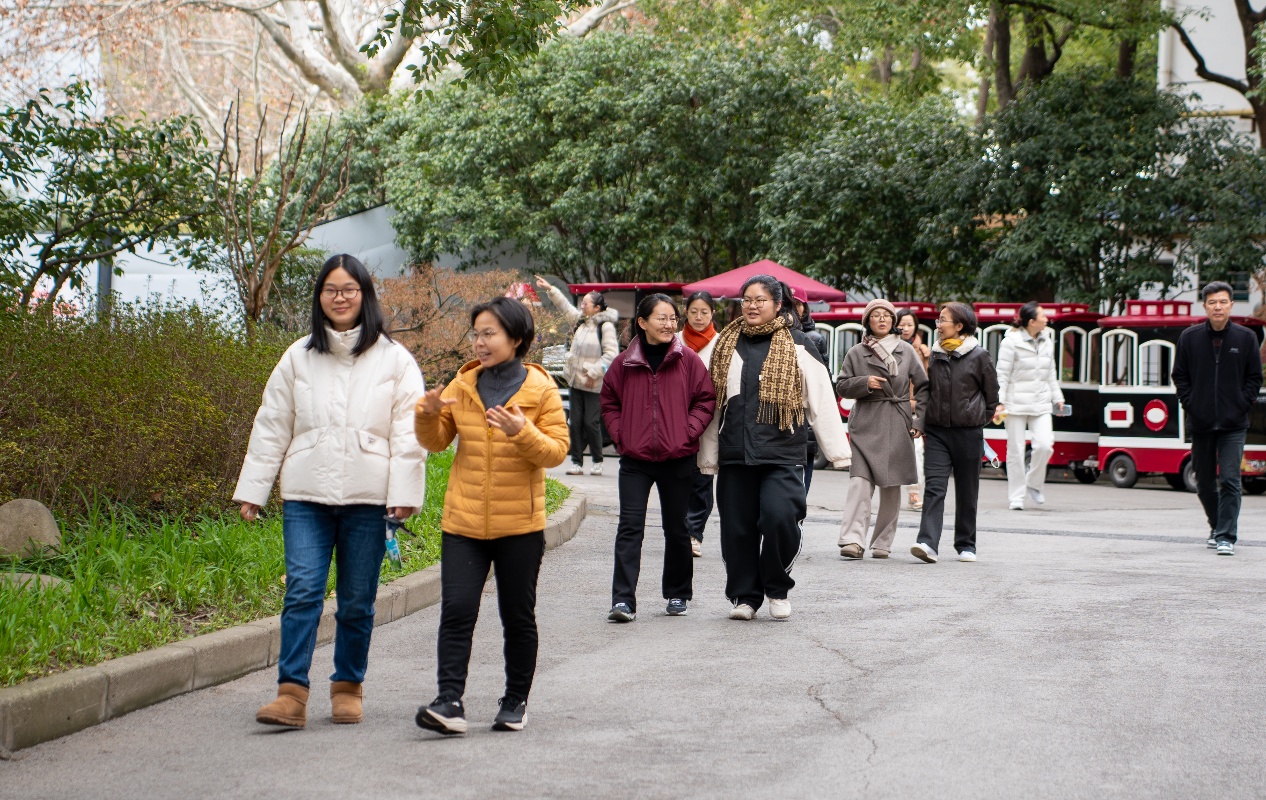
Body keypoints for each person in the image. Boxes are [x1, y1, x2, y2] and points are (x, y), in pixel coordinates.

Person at [235, 254, 425, 729]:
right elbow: (272, 423)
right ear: (319, 297)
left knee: (357, 599)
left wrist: (404, 493)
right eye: (330, 290)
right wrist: (254, 488)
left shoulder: (395, 359)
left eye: (349, 289)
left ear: (365, 295)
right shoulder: (298, 356)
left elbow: (408, 433)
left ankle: (348, 687)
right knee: (302, 590)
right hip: (306, 494)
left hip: (368, 497)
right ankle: (291, 694)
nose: (339, 298)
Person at [413, 297, 569, 735]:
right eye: (476, 334)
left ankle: (515, 699)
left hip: (519, 526)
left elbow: (556, 452)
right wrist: (426, 415)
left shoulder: (540, 390)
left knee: (516, 615)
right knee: (457, 611)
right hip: (463, 523)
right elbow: (437, 441)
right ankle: (449, 701)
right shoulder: (462, 385)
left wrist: (523, 433)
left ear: (516, 338)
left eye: (490, 334)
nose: (480, 343)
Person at [697, 275, 851, 621]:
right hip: (735, 452)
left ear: (778, 305)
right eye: (747, 300)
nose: (752, 306)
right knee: (737, 529)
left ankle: (777, 588)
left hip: (783, 451)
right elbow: (712, 404)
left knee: (780, 517)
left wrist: (839, 453)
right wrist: (707, 456)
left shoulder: (799, 344)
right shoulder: (723, 344)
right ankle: (745, 597)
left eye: (760, 300)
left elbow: (822, 399)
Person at [600, 294, 716, 621]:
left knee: (677, 528)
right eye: (661, 318)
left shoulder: (687, 359)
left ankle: (678, 593)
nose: (669, 325)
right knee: (629, 527)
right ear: (642, 322)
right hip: (635, 460)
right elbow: (609, 402)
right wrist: (622, 434)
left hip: (677, 456)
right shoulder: (624, 363)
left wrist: (687, 432)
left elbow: (705, 400)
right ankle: (623, 601)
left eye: (672, 319)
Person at [1173, 281, 1263, 556]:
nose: (1218, 307)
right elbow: (1180, 376)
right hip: (1201, 423)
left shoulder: (1246, 338)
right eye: (1212, 302)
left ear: (1231, 305)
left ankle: (1226, 536)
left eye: (1223, 302)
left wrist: (1241, 403)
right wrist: (1191, 404)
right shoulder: (1189, 338)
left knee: (1230, 480)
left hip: (1234, 424)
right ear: (1205, 306)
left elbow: (1254, 378)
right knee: (1204, 483)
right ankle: (1216, 526)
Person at [835, 299, 929, 560]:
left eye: (886, 315)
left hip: (898, 421)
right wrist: (864, 382)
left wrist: (919, 421)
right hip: (865, 422)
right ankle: (852, 540)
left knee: (891, 486)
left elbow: (924, 387)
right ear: (868, 321)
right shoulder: (856, 352)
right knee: (859, 482)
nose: (882, 319)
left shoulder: (906, 350)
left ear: (893, 321)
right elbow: (841, 386)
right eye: (876, 315)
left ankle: (882, 543)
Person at [910, 302, 1000, 564]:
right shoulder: (935, 355)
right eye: (938, 320)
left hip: (969, 433)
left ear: (959, 326)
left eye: (943, 320)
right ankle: (927, 543)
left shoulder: (979, 355)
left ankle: (966, 544)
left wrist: (976, 419)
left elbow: (992, 395)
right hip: (937, 432)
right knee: (934, 487)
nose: (938, 325)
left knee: (967, 489)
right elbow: (928, 391)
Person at [535, 276, 618, 476]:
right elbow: (565, 308)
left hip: (593, 384)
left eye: (586, 303)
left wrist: (593, 373)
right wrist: (551, 289)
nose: (582, 306)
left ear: (597, 308)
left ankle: (597, 461)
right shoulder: (581, 321)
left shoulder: (604, 326)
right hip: (575, 381)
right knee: (575, 423)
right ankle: (577, 463)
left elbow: (611, 354)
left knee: (591, 422)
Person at [996, 302, 1065, 512]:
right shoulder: (1010, 342)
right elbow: (1002, 374)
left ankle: (1034, 483)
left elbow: (1051, 372)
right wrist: (1000, 402)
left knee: (1045, 445)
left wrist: (1058, 397)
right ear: (1032, 322)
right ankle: (1016, 497)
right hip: (1014, 404)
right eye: (1043, 316)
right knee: (1015, 451)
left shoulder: (1047, 341)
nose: (1046, 319)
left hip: (1041, 402)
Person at [682, 291, 719, 558]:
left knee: (702, 476)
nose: (698, 317)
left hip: (709, 419)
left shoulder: (721, 344)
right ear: (685, 312)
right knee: (679, 477)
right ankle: (680, 530)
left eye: (704, 312)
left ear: (712, 313)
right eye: (694, 311)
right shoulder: (673, 340)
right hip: (676, 418)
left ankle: (695, 533)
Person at [895, 308, 930, 510]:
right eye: (902, 325)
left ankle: (914, 492)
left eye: (910, 324)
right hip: (892, 406)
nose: (906, 329)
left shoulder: (924, 352)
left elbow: (927, 383)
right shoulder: (888, 348)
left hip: (914, 408)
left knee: (916, 451)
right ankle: (889, 492)